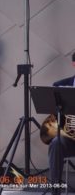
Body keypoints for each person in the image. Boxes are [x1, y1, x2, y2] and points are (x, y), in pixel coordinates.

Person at [49, 52, 75, 195]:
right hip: (70, 137)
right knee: (56, 143)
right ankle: (55, 191)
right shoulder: (60, 86)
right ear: (74, 64)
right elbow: (56, 118)